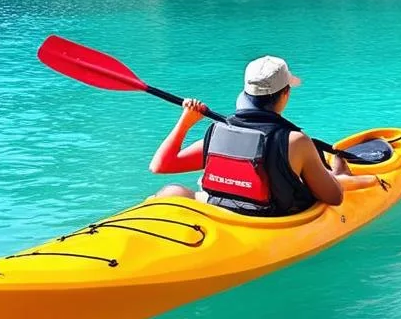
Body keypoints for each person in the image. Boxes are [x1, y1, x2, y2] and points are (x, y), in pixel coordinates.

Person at [149, 55, 378, 214]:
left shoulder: (219, 131)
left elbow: (161, 166)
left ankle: (342, 173)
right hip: (264, 219)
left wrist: (185, 121)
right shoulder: (295, 141)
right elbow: (333, 198)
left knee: (172, 191)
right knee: (336, 184)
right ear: (285, 94)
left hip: (219, 208)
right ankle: (359, 178)